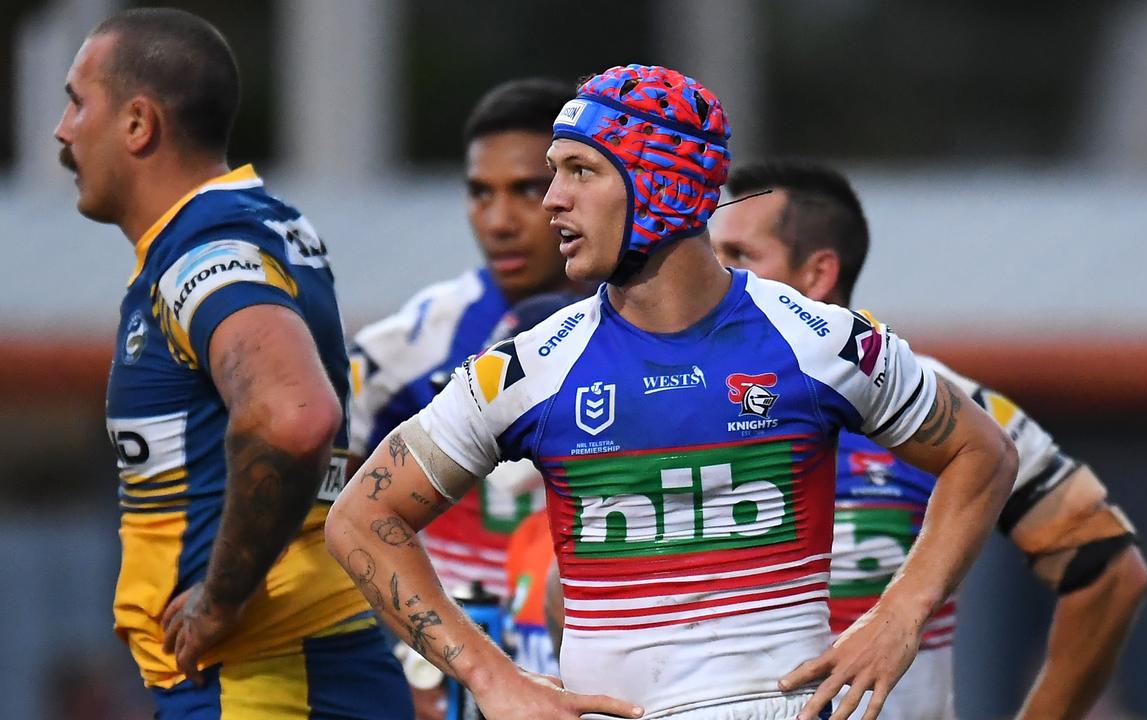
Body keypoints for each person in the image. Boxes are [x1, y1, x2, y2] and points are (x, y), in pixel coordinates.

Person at [327, 64, 1017, 720]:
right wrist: (491, 678)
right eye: (554, 174)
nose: (551, 201)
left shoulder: (820, 339)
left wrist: (901, 614)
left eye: (580, 171)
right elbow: (361, 518)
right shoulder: (529, 365)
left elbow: (983, 455)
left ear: (663, 182)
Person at [55, 8, 412, 718]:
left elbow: (294, 417)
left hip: (262, 682)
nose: (63, 130)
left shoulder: (205, 250)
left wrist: (222, 600)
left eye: (75, 101)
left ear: (137, 123)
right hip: (281, 674)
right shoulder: (254, 224)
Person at [712, 160, 1147, 720]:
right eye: (713, 256)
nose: (718, 279)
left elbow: (1109, 570)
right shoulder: (659, 396)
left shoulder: (944, 402)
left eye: (740, 257)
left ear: (819, 274)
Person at [347, 77, 578, 598]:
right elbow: (322, 491)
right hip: (467, 664)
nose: (498, 222)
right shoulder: (414, 341)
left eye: (527, 189)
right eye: (480, 193)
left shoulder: (661, 321)